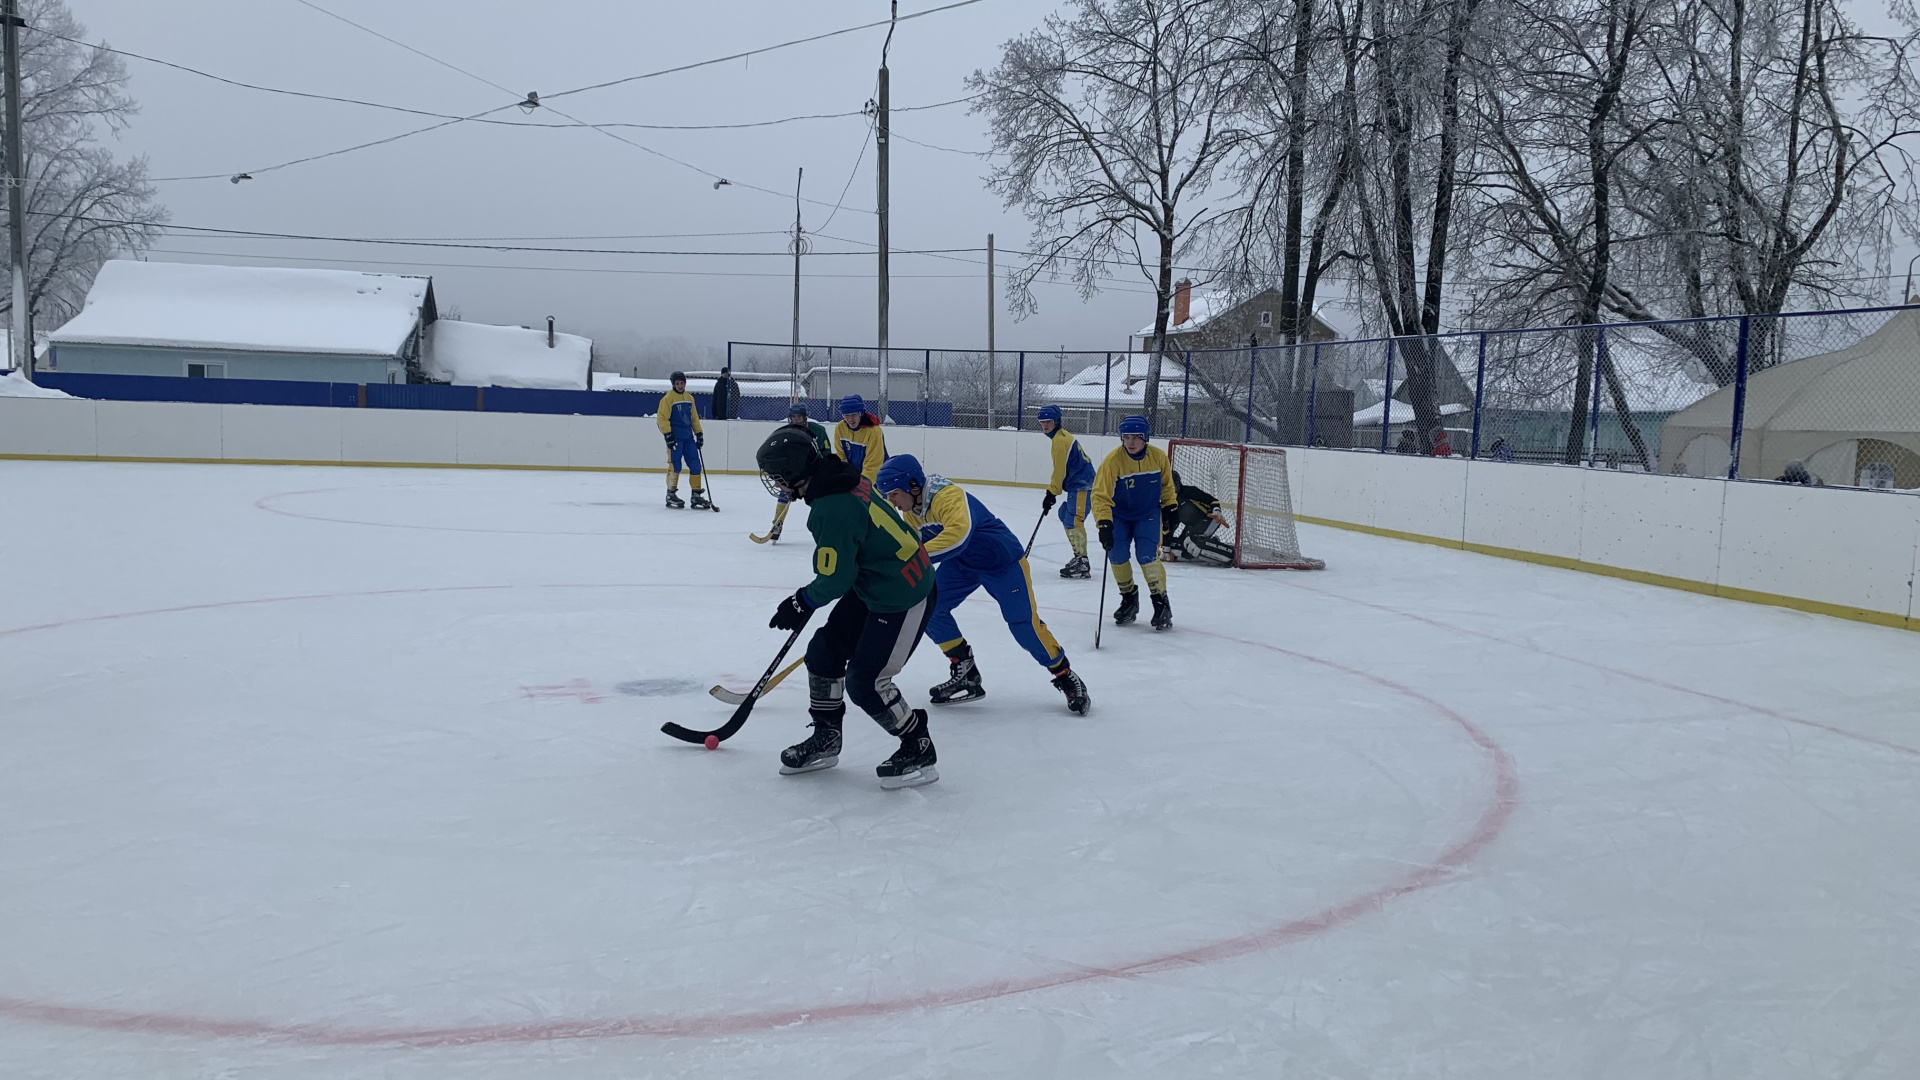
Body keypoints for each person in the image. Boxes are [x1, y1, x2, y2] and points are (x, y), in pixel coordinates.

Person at [756, 425, 940, 789]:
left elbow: (836, 579)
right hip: (878, 582)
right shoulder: (838, 477)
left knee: (866, 681)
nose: (776, 483)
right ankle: (827, 737)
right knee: (823, 653)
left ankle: (917, 743)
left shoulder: (830, 505)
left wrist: (800, 601)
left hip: (904, 595)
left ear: (794, 473)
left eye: (778, 476)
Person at [876, 454, 1091, 715]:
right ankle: (963, 667)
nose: (893, 503)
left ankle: (1064, 674)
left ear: (912, 485)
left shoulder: (947, 497)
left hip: (1002, 563)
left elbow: (958, 536)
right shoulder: (913, 510)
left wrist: (908, 562)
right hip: (962, 565)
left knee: (1023, 626)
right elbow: (913, 547)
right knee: (929, 606)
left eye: (894, 494)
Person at [1091, 414, 1178, 631]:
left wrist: (1171, 507)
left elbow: (1167, 486)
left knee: (1147, 556)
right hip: (1118, 516)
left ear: (1145, 437)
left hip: (1147, 514)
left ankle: (1161, 603)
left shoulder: (1158, 458)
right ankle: (1129, 598)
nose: (1130, 442)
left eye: (1136, 437)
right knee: (1117, 555)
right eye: (1126, 437)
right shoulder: (1113, 461)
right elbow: (1100, 495)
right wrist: (1103, 523)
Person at [1036, 403, 1096, 579]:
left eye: (1048, 421)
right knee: (1066, 516)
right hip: (1077, 485)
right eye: (1042, 422)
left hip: (1082, 485)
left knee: (1074, 521)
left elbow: (1059, 470)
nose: (1045, 425)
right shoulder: (1060, 438)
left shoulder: (1060, 441)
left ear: (1057, 421)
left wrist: (1051, 493)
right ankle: (1079, 557)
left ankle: (1082, 561)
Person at [762, 403, 833, 543]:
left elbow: (826, 452)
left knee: (818, 498)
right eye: (793, 417)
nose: (796, 420)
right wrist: (778, 477)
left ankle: (825, 526)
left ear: (805, 417)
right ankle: (777, 524)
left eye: (799, 416)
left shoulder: (818, 430)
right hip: (795, 472)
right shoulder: (786, 432)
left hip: (814, 471)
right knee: (785, 493)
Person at [655, 371, 712, 510]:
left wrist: (699, 433)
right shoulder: (668, 399)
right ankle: (671, 493)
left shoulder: (689, 398)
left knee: (695, 464)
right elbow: (661, 418)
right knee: (675, 465)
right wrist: (668, 435)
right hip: (675, 439)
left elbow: (694, 418)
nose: (680, 386)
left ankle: (696, 494)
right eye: (677, 383)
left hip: (688, 438)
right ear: (673, 384)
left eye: (682, 383)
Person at [1162, 471, 1235, 566]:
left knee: (1191, 544)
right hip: (1192, 527)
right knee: (1175, 545)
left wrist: (1216, 511)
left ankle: (1230, 554)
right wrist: (1166, 551)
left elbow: (1212, 501)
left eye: (1172, 486)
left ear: (1178, 484)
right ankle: (1211, 545)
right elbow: (1169, 528)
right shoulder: (1169, 504)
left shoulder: (1189, 492)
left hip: (1209, 521)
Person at [832, 394, 887, 484]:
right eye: (846, 415)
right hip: (854, 478)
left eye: (853, 414)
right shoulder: (840, 428)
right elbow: (841, 455)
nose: (850, 419)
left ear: (860, 413)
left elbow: (873, 464)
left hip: (877, 479)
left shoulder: (873, 431)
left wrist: (862, 485)